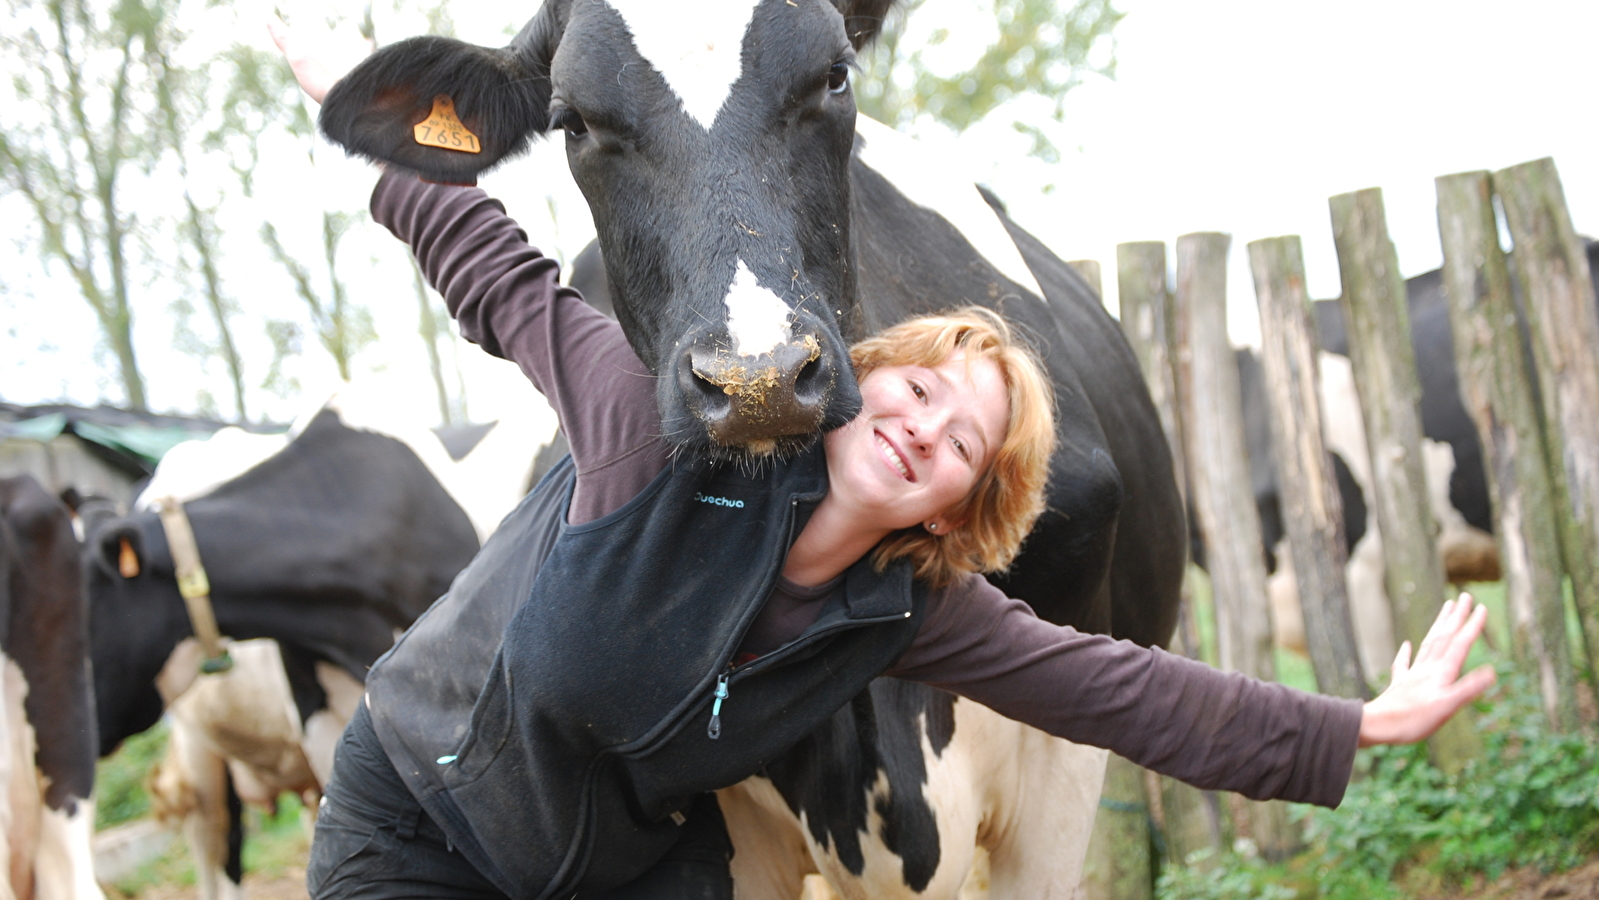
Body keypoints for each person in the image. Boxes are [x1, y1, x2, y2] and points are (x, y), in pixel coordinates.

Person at [271, 23, 1497, 900]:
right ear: (867, 374)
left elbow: (1128, 693)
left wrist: (1357, 730)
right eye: (918, 388)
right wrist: (356, 105)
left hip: (632, 865)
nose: (923, 426)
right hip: (422, 819)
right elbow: (492, 268)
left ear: (967, 506)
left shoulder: (895, 614)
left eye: (963, 443)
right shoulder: (633, 431)